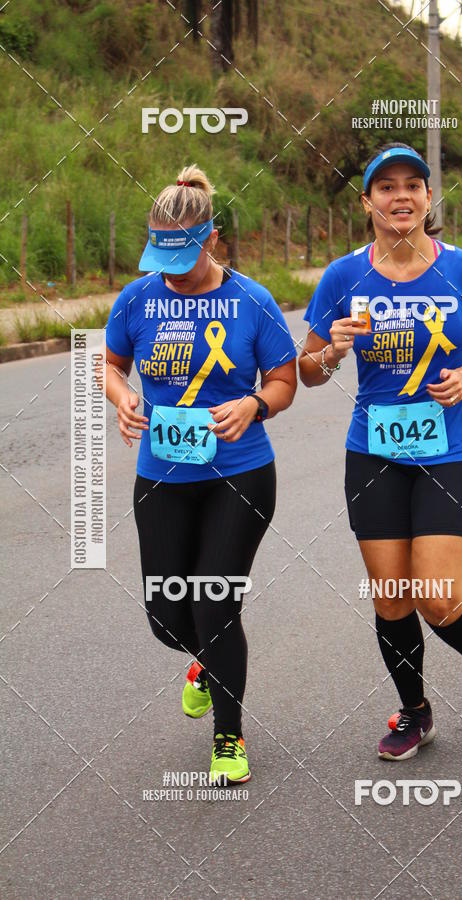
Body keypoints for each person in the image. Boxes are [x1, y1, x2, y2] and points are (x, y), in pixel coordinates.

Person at [299, 142, 462, 760]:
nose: (401, 196)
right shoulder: (345, 276)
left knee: (438, 594)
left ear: (428, 198)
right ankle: (414, 712)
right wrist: (331, 352)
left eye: (412, 185)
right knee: (390, 595)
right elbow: (306, 369)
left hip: (451, 450)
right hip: (374, 452)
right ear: (367, 201)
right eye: (387, 187)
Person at [104, 165, 297, 782]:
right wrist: (122, 397)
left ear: (213, 239)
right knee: (167, 616)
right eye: (160, 253)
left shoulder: (252, 301)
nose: (171, 267)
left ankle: (229, 739)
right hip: (161, 474)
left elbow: (285, 380)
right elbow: (110, 364)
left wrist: (255, 404)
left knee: (215, 602)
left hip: (239, 476)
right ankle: (203, 666)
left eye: (183, 253)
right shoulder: (136, 299)